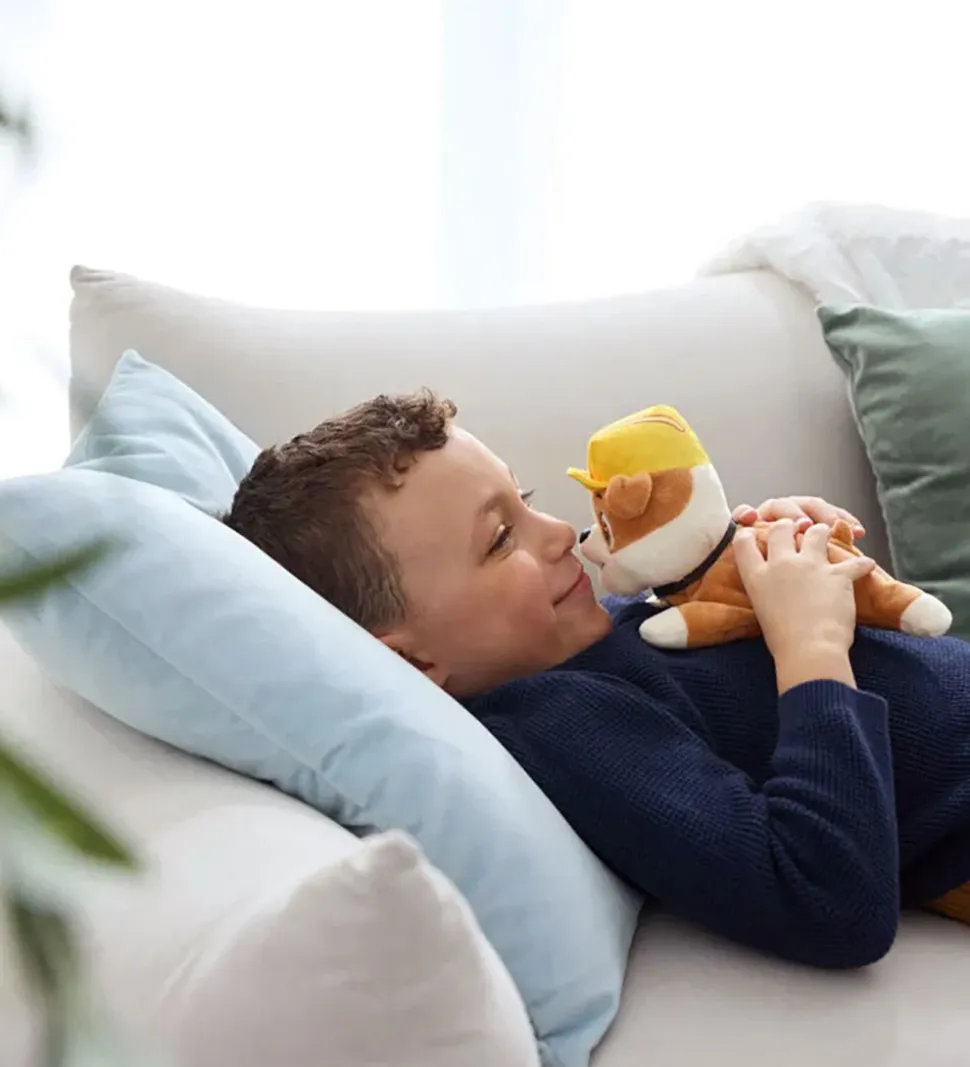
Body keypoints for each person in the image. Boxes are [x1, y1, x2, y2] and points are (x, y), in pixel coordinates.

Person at [224, 390, 970, 967]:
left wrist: (772, 565)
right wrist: (811, 645)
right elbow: (827, 900)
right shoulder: (562, 722)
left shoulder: (596, 625)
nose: (560, 534)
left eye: (527, 500)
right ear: (412, 663)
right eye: (500, 539)